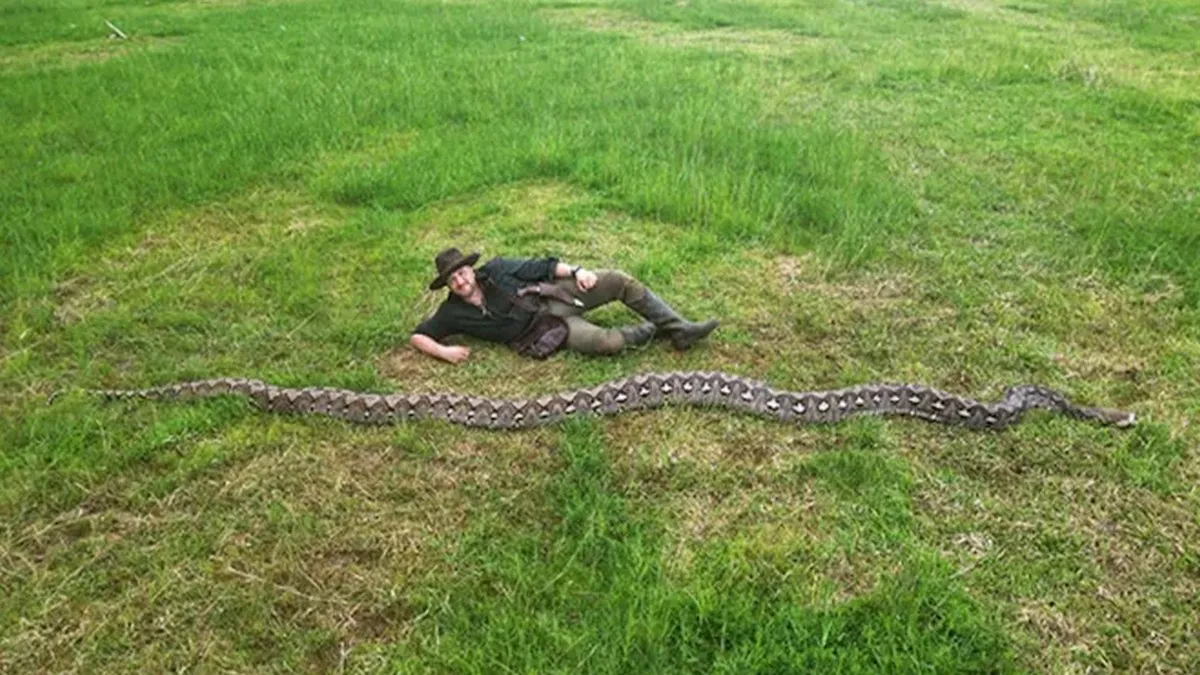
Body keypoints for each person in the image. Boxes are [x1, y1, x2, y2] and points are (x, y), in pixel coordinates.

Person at [410, 247, 719, 364]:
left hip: (557, 294)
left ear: (470, 269)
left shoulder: (498, 269)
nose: (461, 283)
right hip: (549, 328)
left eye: (462, 274)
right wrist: (443, 352)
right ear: (448, 286)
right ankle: (658, 329)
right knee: (606, 343)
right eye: (453, 281)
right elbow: (418, 335)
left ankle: (680, 327)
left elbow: (540, 266)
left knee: (615, 279)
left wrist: (576, 271)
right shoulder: (453, 312)